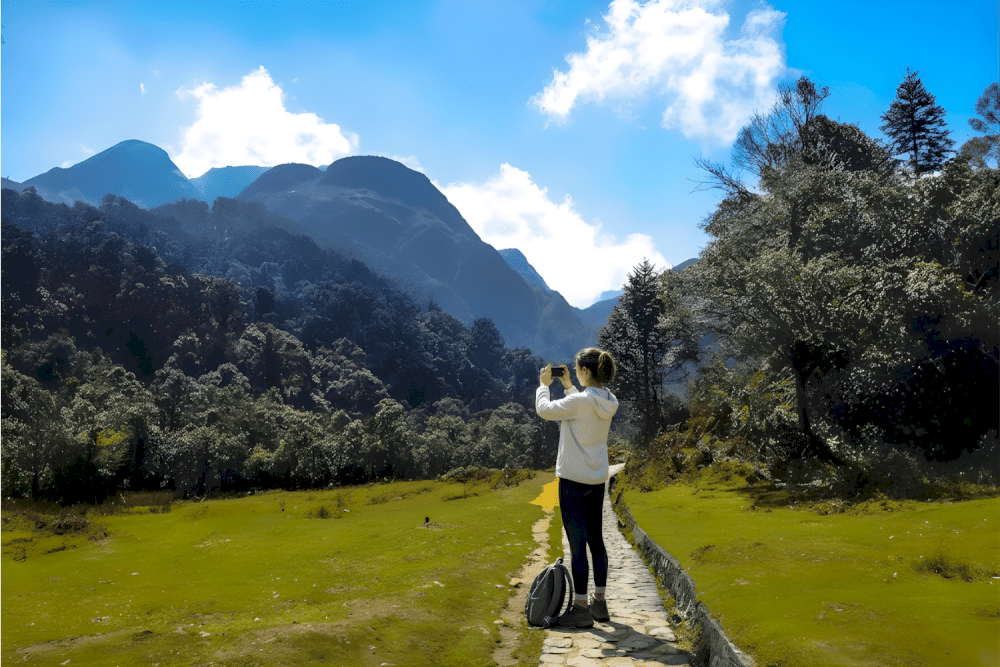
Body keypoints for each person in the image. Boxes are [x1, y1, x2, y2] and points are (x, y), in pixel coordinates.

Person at [535, 347, 618, 628]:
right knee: (597, 541)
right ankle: (600, 603)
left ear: (585, 371)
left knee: (577, 545)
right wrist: (569, 386)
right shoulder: (609, 401)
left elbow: (544, 410)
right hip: (596, 480)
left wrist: (544, 387)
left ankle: (580, 608)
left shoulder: (581, 403)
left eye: (576, 369)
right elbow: (583, 408)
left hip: (572, 482)